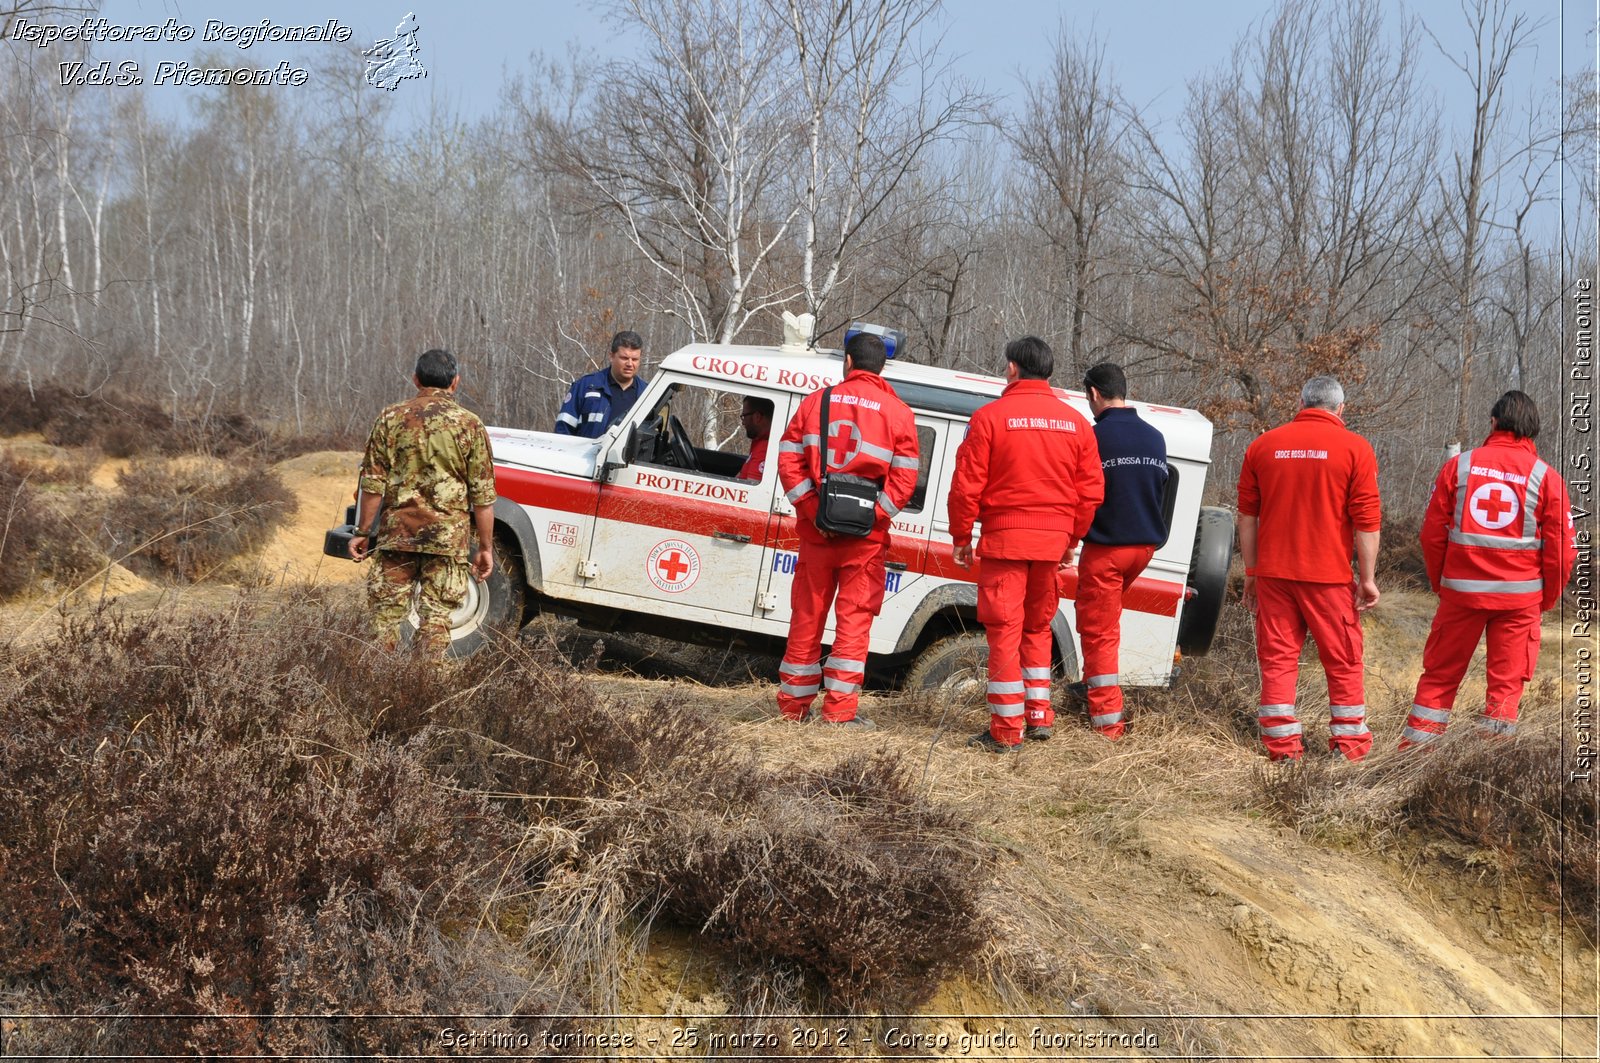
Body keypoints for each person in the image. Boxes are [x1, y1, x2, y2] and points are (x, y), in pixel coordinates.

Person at [947, 336, 1104, 753]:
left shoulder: (990, 417)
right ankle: (1038, 715)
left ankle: (1005, 729)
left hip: (1004, 542)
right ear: (1049, 372)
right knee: (1037, 628)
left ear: (1013, 369)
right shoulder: (1077, 424)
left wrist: (962, 536)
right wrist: (1070, 539)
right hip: (1051, 546)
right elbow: (1091, 493)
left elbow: (966, 487)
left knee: (1004, 631)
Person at [1401, 391, 1577, 748]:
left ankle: (1412, 759)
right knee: (1506, 687)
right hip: (1520, 602)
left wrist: (1441, 583)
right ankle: (1490, 763)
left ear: (1494, 422)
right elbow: (1562, 551)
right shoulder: (1547, 478)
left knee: (1439, 677)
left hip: (1461, 595)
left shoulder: (1459, 466)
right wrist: (1547, 598)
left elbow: (1431, 534)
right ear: (1533, 430)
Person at [775, 331, 919, 729]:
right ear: (881, 367)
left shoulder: (816, 402)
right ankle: (838, 715)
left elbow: (788, 460)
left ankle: (792, 710)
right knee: (854, 624)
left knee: (807, 618)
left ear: (849, 363)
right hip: (865, 542)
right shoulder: (899, 413)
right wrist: (870, 517)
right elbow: (905, 481)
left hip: (816, 534)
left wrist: (811, 508)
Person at [1237, 375, 1381, 762]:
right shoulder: (1356, 449)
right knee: (1344, 660)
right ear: (1340, 409)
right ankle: (1348, 747)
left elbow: (1247, 517)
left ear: (1301, 403)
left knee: (1278, 660)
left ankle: (1283, 750)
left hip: (1273, 574)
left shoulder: (1263, 446)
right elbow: (1367, 521)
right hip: (1329, 577)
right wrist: (1366, 579)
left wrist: (1252, 572)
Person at [351, 348, 497, 656]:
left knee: (385, 621)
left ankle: (375, 692)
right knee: (436, 622)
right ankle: (424, 692)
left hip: (397, 538)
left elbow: (372, 484)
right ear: (455, 382)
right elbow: (483, 498)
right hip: (447, 542)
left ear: (415, 379)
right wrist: (485, 548)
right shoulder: (471, 425)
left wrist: (363, 531)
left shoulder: (390, 418)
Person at [1075, 362, 1169, 740]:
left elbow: (1082, 496)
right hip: (1144, 548)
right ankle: (1088, 691)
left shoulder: (1093, 437)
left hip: (1106, 549)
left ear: (1094, 394)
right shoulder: (1155, 437)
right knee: (1104, 621)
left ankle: (1107, 722)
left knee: (1099, 631)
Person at [555, 330, 647, 437]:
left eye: (635, 359)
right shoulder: (586, 386)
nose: (630, 364)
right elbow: (562, 431)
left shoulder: (647, 394)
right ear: (611, 356)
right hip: (586, 453)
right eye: (624, 358)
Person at [735, 396, 774, 481]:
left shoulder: (766, 448)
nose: (743, 422)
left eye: (744, 416)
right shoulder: (759, 441)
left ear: (757, 417)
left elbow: (751, 489)